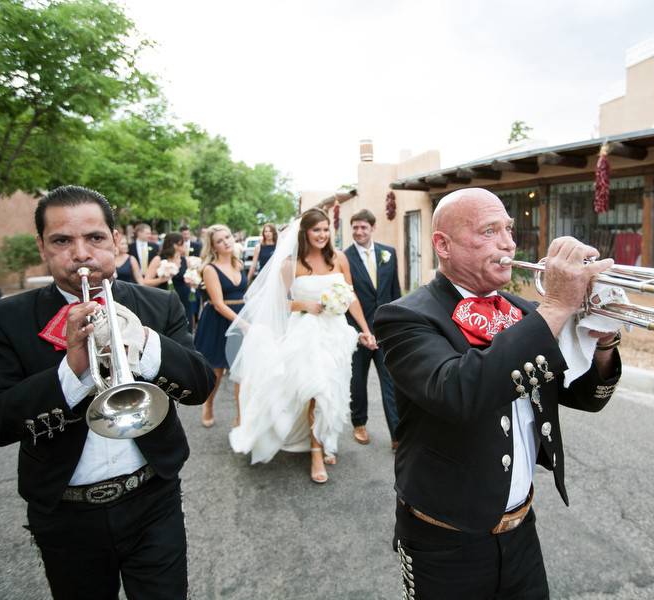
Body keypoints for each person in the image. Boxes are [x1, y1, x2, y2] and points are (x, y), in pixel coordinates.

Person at [0, 185, 215, 600]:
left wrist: (146, 344)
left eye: (95, 238)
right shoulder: (2, 319)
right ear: (42, 247)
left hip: (153, 498)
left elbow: (199, 386)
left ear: (115, 241)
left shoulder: (159, 306)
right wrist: (72, 371)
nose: (81, 254)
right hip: (65, 513)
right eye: (62, 241)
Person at [374, 188, 622, 598]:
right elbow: (458, 392)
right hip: (444, 543)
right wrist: (557, 307)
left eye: (508, 229)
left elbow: (585, 397)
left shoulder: (522, 312)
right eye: (489, 231)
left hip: (522, 530)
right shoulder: (405, 317)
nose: (508, 242)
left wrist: (605, 340)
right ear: (443, 245)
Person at [227, 208, 377, 483]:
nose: (321, 235)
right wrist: (303, 304)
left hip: (336, 334)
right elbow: (274, 302)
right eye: (316, 229)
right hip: (305, 333)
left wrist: (365, 330)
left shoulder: (339, 259)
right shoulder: (290, 264)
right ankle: (316, 451)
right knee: (315, 388)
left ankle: (327, 438)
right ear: (305, 232)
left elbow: (350, 296)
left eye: (325, 229)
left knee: (334, 388)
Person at [343, 209, 402, 450]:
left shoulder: (389, 253)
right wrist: (360, 332)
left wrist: (397, 325)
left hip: (385, 331)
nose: (358, 231)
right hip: (356, 331)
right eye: (355, 227)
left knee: (391, 382)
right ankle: (359, 423)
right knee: (357, 381)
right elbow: (345, 297)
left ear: (372, 228)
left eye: (363, 227)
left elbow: (395, 293)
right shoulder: (344, 257)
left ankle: (397, 435)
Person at [193, 224, 246, 428]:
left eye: (228, 237)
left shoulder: (239, 264)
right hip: (218, 322)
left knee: (241, 370)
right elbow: (218, 303)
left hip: (240, 318)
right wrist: (242, 323)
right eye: (220, 241)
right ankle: (208, 404)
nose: (226, 242)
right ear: (213, 247)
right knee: (217, 372)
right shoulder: (210, 269)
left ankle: (241, 417)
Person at [143, 234, 192, 329]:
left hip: (183, 298)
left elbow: (187, 280)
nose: (185, 246)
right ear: (174, 245)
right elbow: (146, 282)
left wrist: (192, 282)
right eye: (182, 244)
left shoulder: (186, 260)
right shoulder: (159, 259)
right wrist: (162, 279)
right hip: (164, 297)